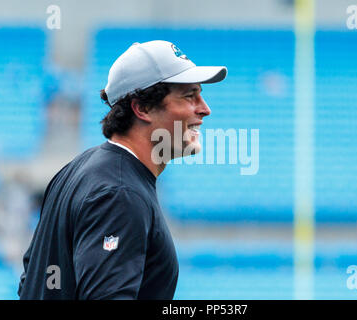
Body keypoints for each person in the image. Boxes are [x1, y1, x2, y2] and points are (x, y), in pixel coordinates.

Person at [18, 40, 227, 299]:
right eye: (189, 96)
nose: (205, 109)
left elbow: (32, 279)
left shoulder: (77, 171)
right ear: (142, 108)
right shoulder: (120, 192)